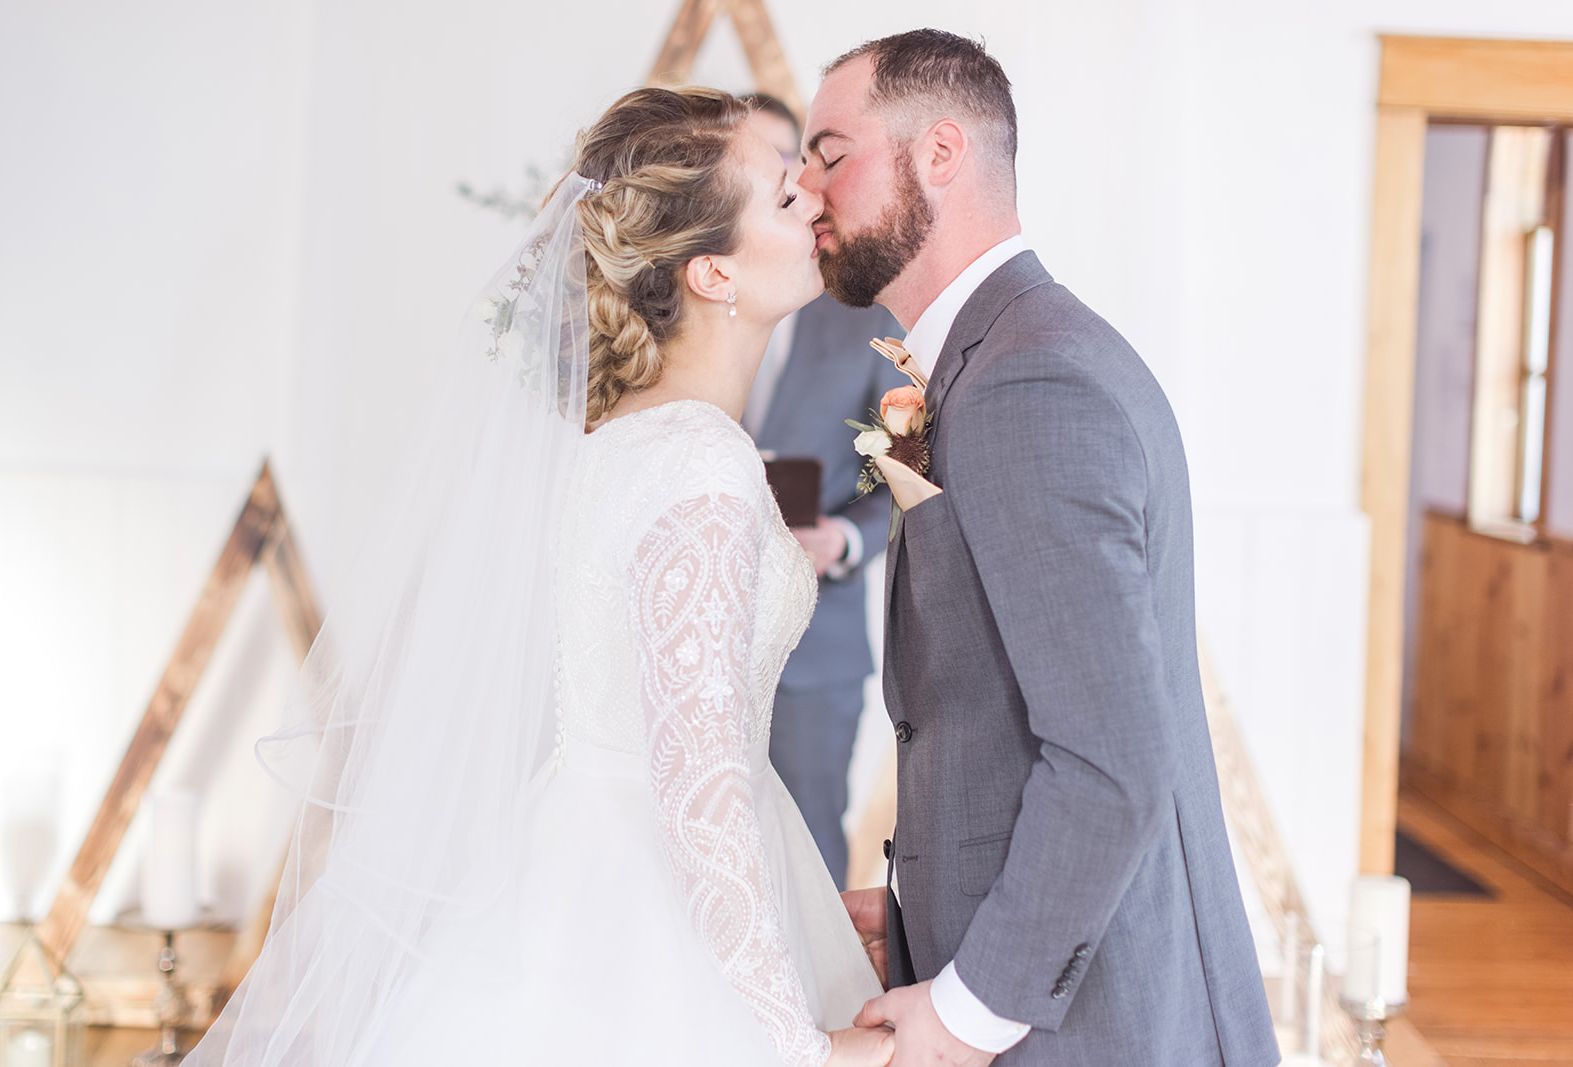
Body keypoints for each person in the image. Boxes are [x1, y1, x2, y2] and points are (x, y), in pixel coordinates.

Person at [186, 87, 893, 1067]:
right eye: (783, 195)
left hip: (575, 873)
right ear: (712, 271)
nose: (814, 196)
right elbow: (698, 787)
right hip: (652, 928)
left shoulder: (615, 443)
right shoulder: (702, 461)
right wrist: (796, 1047)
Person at [797, 30, 1279, 1066]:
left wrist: (968, 1009)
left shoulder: (1029, 382)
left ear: (939, 152)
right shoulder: (1003, 356)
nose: (803, 187)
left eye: (829, 153)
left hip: (1097, 1022)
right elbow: (996, 714)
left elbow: (1112, 761)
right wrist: (924, 909)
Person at [740, 92, 907, 889]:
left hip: (817, 641)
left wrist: (841, 540)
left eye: (787, 162)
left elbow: (906, 471)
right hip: (696, 642)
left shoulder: (863, 316)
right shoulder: (681, 302)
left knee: (806, 857)